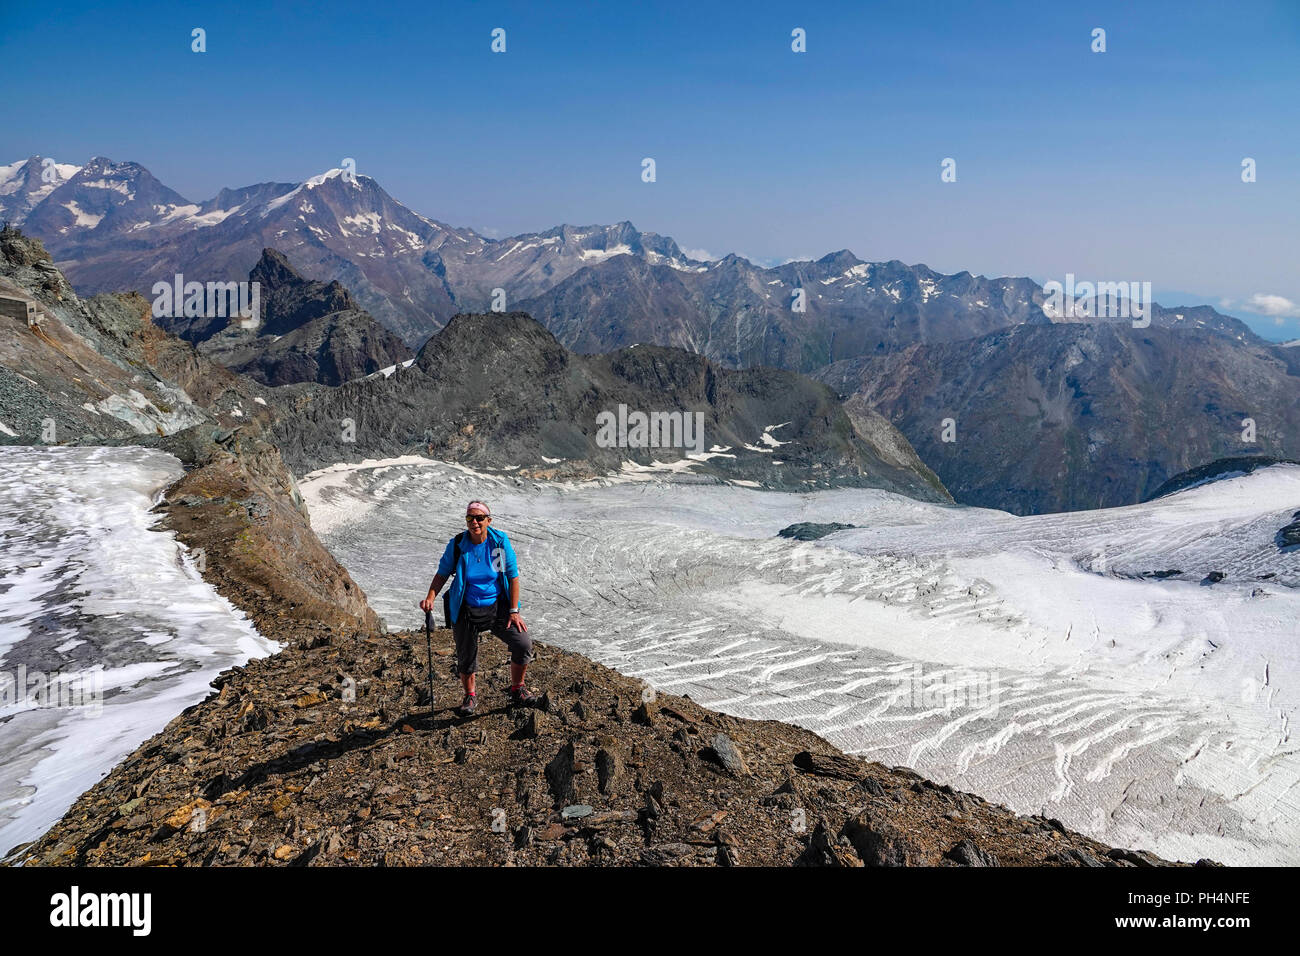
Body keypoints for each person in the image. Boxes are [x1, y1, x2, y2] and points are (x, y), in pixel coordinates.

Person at [419, 499, 536, 716]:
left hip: (496, 606)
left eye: (479, 518)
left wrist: (514, 610)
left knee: (522, 643)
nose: (474, 522)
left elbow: (512, 576)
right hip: (466, 608)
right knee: (466, 655)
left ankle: (517, 688)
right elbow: (443, 573)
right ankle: (469, 696)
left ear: (488, 520)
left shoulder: (498, 542)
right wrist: (430, 597)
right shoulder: (458, 545)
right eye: (470, 518)